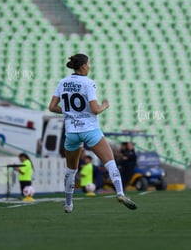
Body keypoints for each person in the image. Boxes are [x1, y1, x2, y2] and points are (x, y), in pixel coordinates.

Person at [48, 53, 137, 213]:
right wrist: (105, 105)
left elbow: (52, 107)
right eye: (88, 64)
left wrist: (70, 112)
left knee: (71, 170)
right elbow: (95, 109)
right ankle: (120, 193)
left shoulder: (62, 82)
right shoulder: (89, 83)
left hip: (72, 132)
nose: (89, 66)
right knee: (110, 162)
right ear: (83, 66)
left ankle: (68, 204)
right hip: (90, 130)